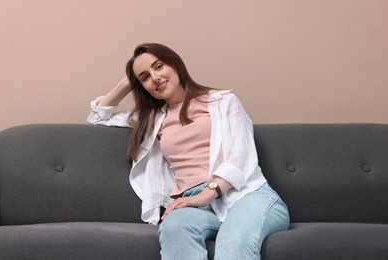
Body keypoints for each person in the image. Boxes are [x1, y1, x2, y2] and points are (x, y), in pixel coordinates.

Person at [87, 43, 290, 260]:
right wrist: (129, 80)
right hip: (193, 203)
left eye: (158, 66)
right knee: (174, 228)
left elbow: (242, 155)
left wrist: (207, 194)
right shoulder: (153, 119)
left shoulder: (223, 101)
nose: (155, 78)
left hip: (247, 196)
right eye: (145, 77)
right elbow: (98, 116)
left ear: (175, 64)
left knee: (233, 242)